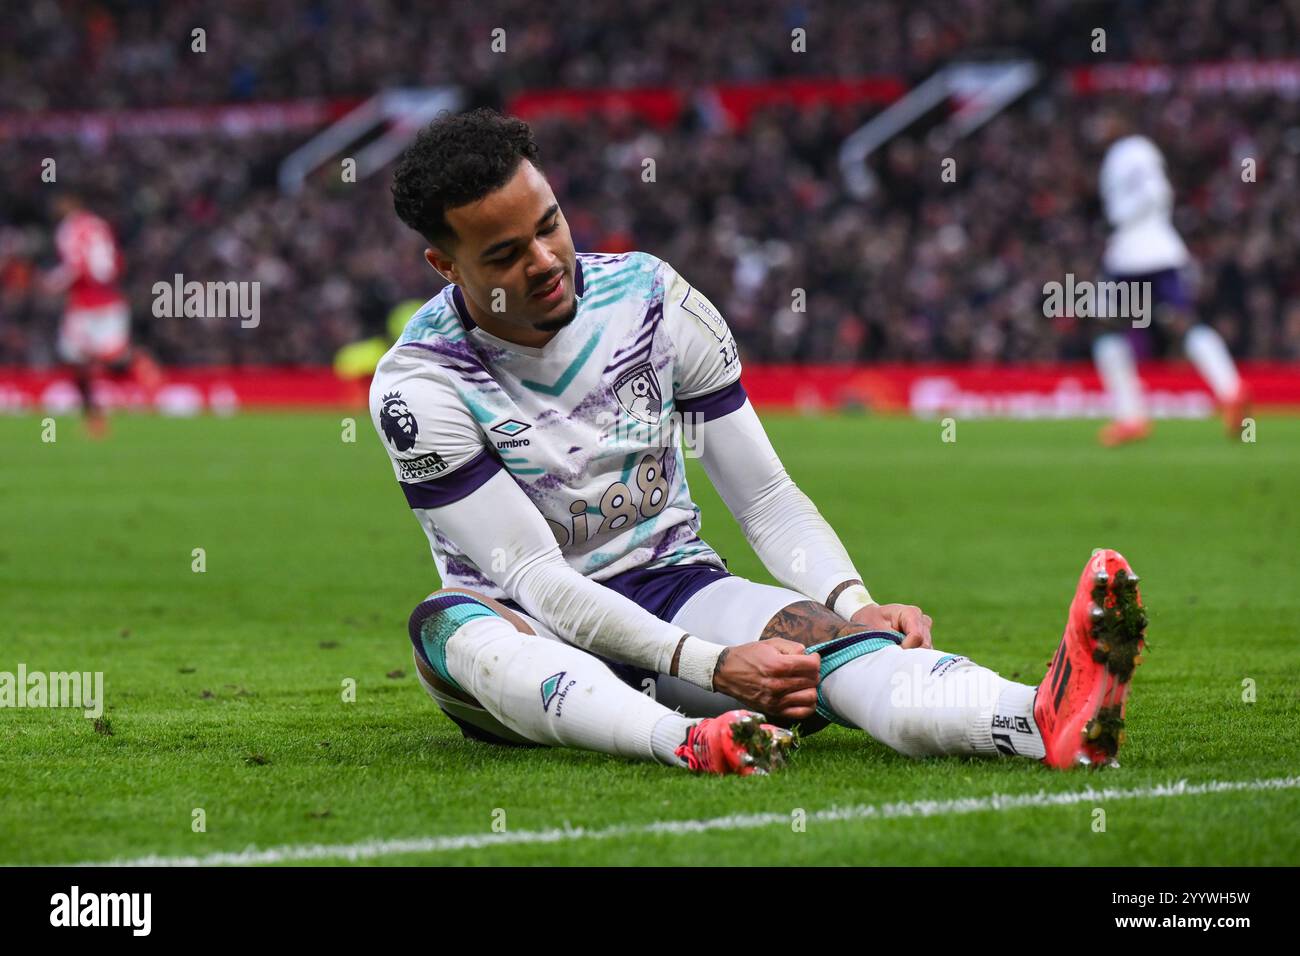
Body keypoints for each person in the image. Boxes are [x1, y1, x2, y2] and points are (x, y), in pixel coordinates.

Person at [371, 108, 1146, 775]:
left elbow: (767, 498)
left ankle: (1041, 715)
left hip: (675, 588)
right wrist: (712, 668)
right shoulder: (420, 386)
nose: (544, 262)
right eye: (505, 254)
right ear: (445, 265)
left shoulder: (651, 301)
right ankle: (685, 740)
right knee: (447, 628)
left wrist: (855, 602)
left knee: (837, 654)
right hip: (526, 629)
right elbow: (537, 579)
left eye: (550, 226)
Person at [1092, 113, 1249, 445]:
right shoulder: (1136, 151)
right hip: (1157, 248)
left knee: (1111, 329)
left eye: (1103, 123)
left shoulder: (1127, 153)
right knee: (1181, 321)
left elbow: (1154, 193)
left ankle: (1131, 417)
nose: (1097, 129)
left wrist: (1121, 219)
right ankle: (1231, 389)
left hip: (1134, 250)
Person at [47, 193, 158, 437]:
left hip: (86, 303)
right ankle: (135, 366)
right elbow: (116, 263)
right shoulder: (99, 224)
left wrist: (53, 283)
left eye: (60, 202)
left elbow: (76, 265)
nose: (56, 206)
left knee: (79, 361)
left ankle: (96, 418)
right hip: (110, 299)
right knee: (102, 360)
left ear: (72, 203)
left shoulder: (69, 228)